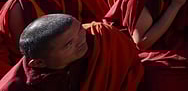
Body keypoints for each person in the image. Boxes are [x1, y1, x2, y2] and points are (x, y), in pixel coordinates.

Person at [0, 14, 144, 91]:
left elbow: (132, 68)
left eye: (80, 30)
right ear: (38, 63)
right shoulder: (15, 87)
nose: (82, 40)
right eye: (69, 44)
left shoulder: (99, 37)